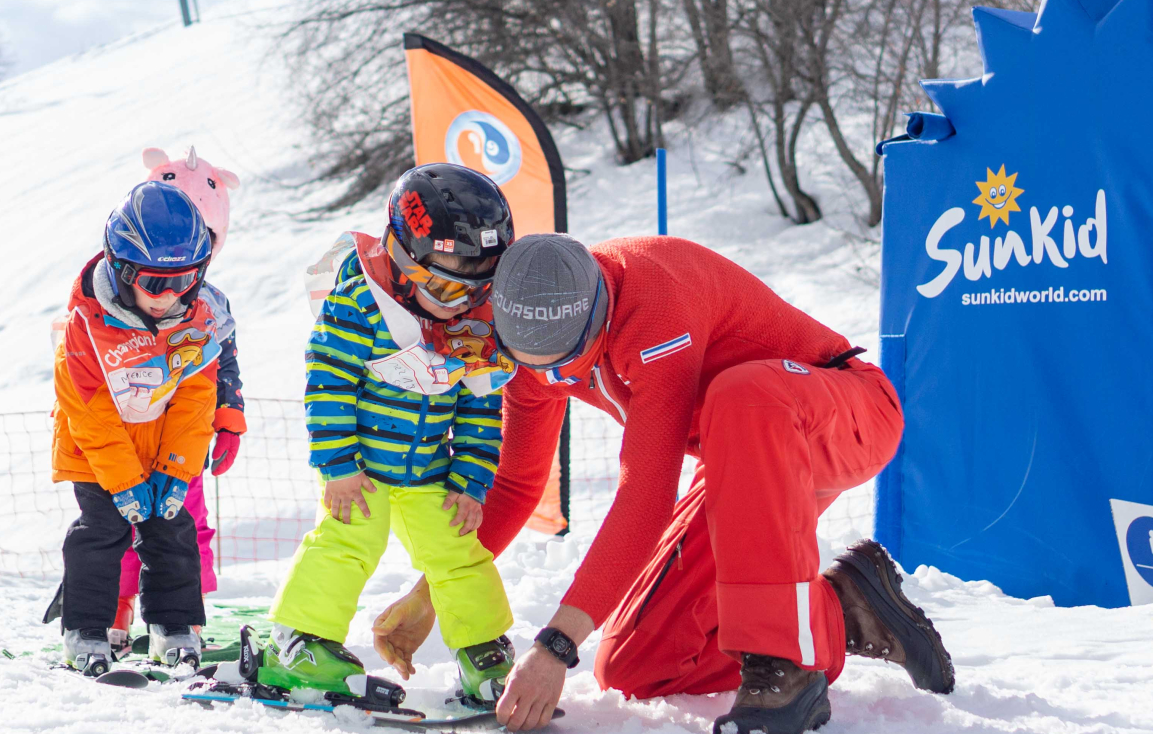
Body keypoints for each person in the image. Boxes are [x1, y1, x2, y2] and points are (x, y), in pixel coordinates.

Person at [371, 233, 955, 734]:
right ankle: (845, 610)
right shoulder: (529, 342)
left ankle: (785, 667)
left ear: (597, 312)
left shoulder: (653, 305)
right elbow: (519, 484)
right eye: (535, 367)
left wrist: (555, 644)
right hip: (740, 462)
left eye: (567, 365)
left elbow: (645, 493)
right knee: (635, 666)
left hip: (841, 412)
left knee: (741, 394)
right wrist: (431, 593)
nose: (554, 379)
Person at [255, 164, 520, 707]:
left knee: (458, 551)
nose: (459, 302)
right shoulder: (360, 303)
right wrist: (339, 467)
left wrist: (470, 482)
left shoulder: (473, 324)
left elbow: (480, 406)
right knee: (348, 544)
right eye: (446, 285)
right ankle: (300, 641)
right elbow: (327, 384)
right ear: (403, 260)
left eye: (478, 286)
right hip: (362, 473)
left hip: (430, 473)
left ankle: (483, 651)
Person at [48, 181, 225, 675]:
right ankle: (85, 630)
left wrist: (176, 468)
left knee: (172, 528)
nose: (171, 297)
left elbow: (195, 398)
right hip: (96, 453)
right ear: (123, 272)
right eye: (155, 284)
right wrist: (124, 480)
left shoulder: (196, 319)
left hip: (159, 448)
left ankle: (174, 628)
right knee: (102, 532)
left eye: (186, 281)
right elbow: (88, 411)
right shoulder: (86, 324)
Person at [111, 147, 249, 649]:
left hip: (185, 436)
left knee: (185, 521)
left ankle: (183, 611)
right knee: (120, 523)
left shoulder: (211, 302)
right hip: (129, 432)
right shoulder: (124, 297)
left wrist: (229, 415)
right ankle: (117, 605)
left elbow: (224, 361)